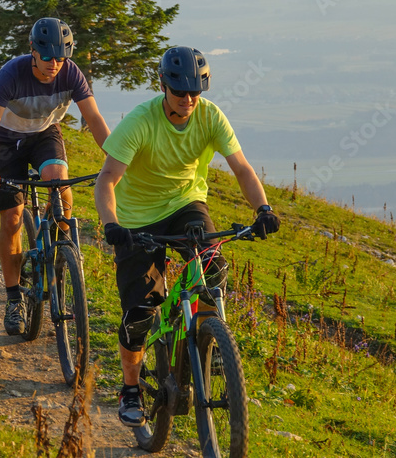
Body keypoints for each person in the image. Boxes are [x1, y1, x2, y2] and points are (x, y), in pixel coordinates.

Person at [93, 46, 281, 427]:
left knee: (214, 268)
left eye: (196, 91)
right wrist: (111, 224)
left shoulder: (210, 117)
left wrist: (263, 209)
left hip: (186, 205)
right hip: (136, 219)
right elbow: (107, 179)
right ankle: (130, 388)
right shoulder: (141, 122)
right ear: (163, 85)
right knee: (140, 314)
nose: (189, 99)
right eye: (180, 91)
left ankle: (211, 346)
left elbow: (241, 168)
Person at [0, 17, 110, 336]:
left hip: (45, 134)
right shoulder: (12, 74)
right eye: (48, 56)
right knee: (11, 219)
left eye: (60, 57)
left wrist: (116, 158)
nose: (54, 64)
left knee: (60, 186)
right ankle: (13, 299)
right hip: (7, 140)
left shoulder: (71, 73)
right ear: (33, 50)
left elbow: (93, 118)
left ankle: (60, 251)